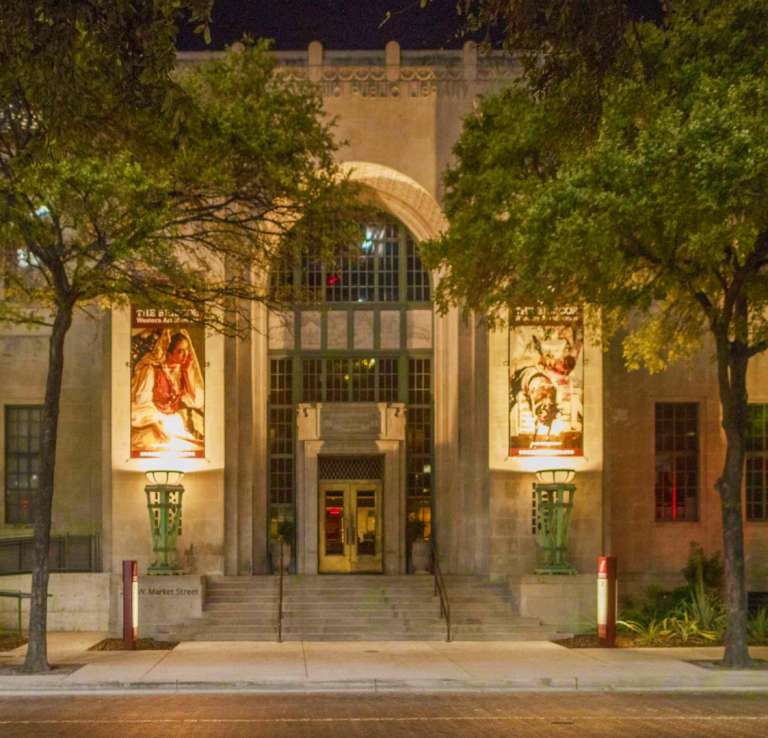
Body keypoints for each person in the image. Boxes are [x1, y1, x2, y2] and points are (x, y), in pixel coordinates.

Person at [131, 328, 204, 457]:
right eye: (180, 351)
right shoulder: (150, 370)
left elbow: (196, 402)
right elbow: (138, 404)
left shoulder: (181, 371)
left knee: (193, 448)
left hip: (173, 422)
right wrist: (155, 425)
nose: (186, 355)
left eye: (187, 350)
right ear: (168, 353)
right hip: (150, 422)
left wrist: (187, 372)